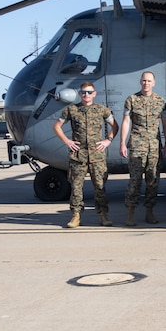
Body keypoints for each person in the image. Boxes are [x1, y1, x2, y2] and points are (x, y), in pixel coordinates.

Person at [54, 82, 118, 228]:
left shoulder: (101, 110)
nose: (86, 95)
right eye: (83, 92)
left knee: (100, 186)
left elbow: (115, 126)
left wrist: (108, 140)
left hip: (97, 155)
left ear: (94, 94)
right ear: (79, 94)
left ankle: (103, 215)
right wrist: (67, 141)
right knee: (76, 187)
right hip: (78, 155)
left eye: (89, 92)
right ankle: (76, 216)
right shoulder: (71, 110)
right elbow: (57, 126)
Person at [118, 71, 166, 226]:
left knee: (153, 180)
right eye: (144, 81)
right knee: (135, 181)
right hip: (137, 146)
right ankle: (130, 213)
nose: (146, 83)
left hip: (154, 147)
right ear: (140, 82)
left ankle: (149, 212)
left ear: (154, 83)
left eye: (149, 81)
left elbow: (165, 123)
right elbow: (126, 121)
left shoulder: (161, 101)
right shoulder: (132, 100)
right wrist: (122, 142)